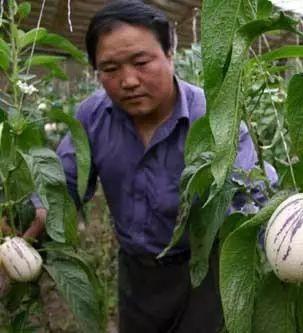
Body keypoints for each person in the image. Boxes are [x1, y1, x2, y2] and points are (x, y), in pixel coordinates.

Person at [26, 0, 269, 331]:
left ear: (170, 54)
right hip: (136, 276)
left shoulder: (215, 119)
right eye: (110, 69)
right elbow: (62, 188)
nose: (128, 81)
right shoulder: (92, 117)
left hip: (202, 272)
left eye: (141, 62)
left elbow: (250, 198)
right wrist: (32, 224)